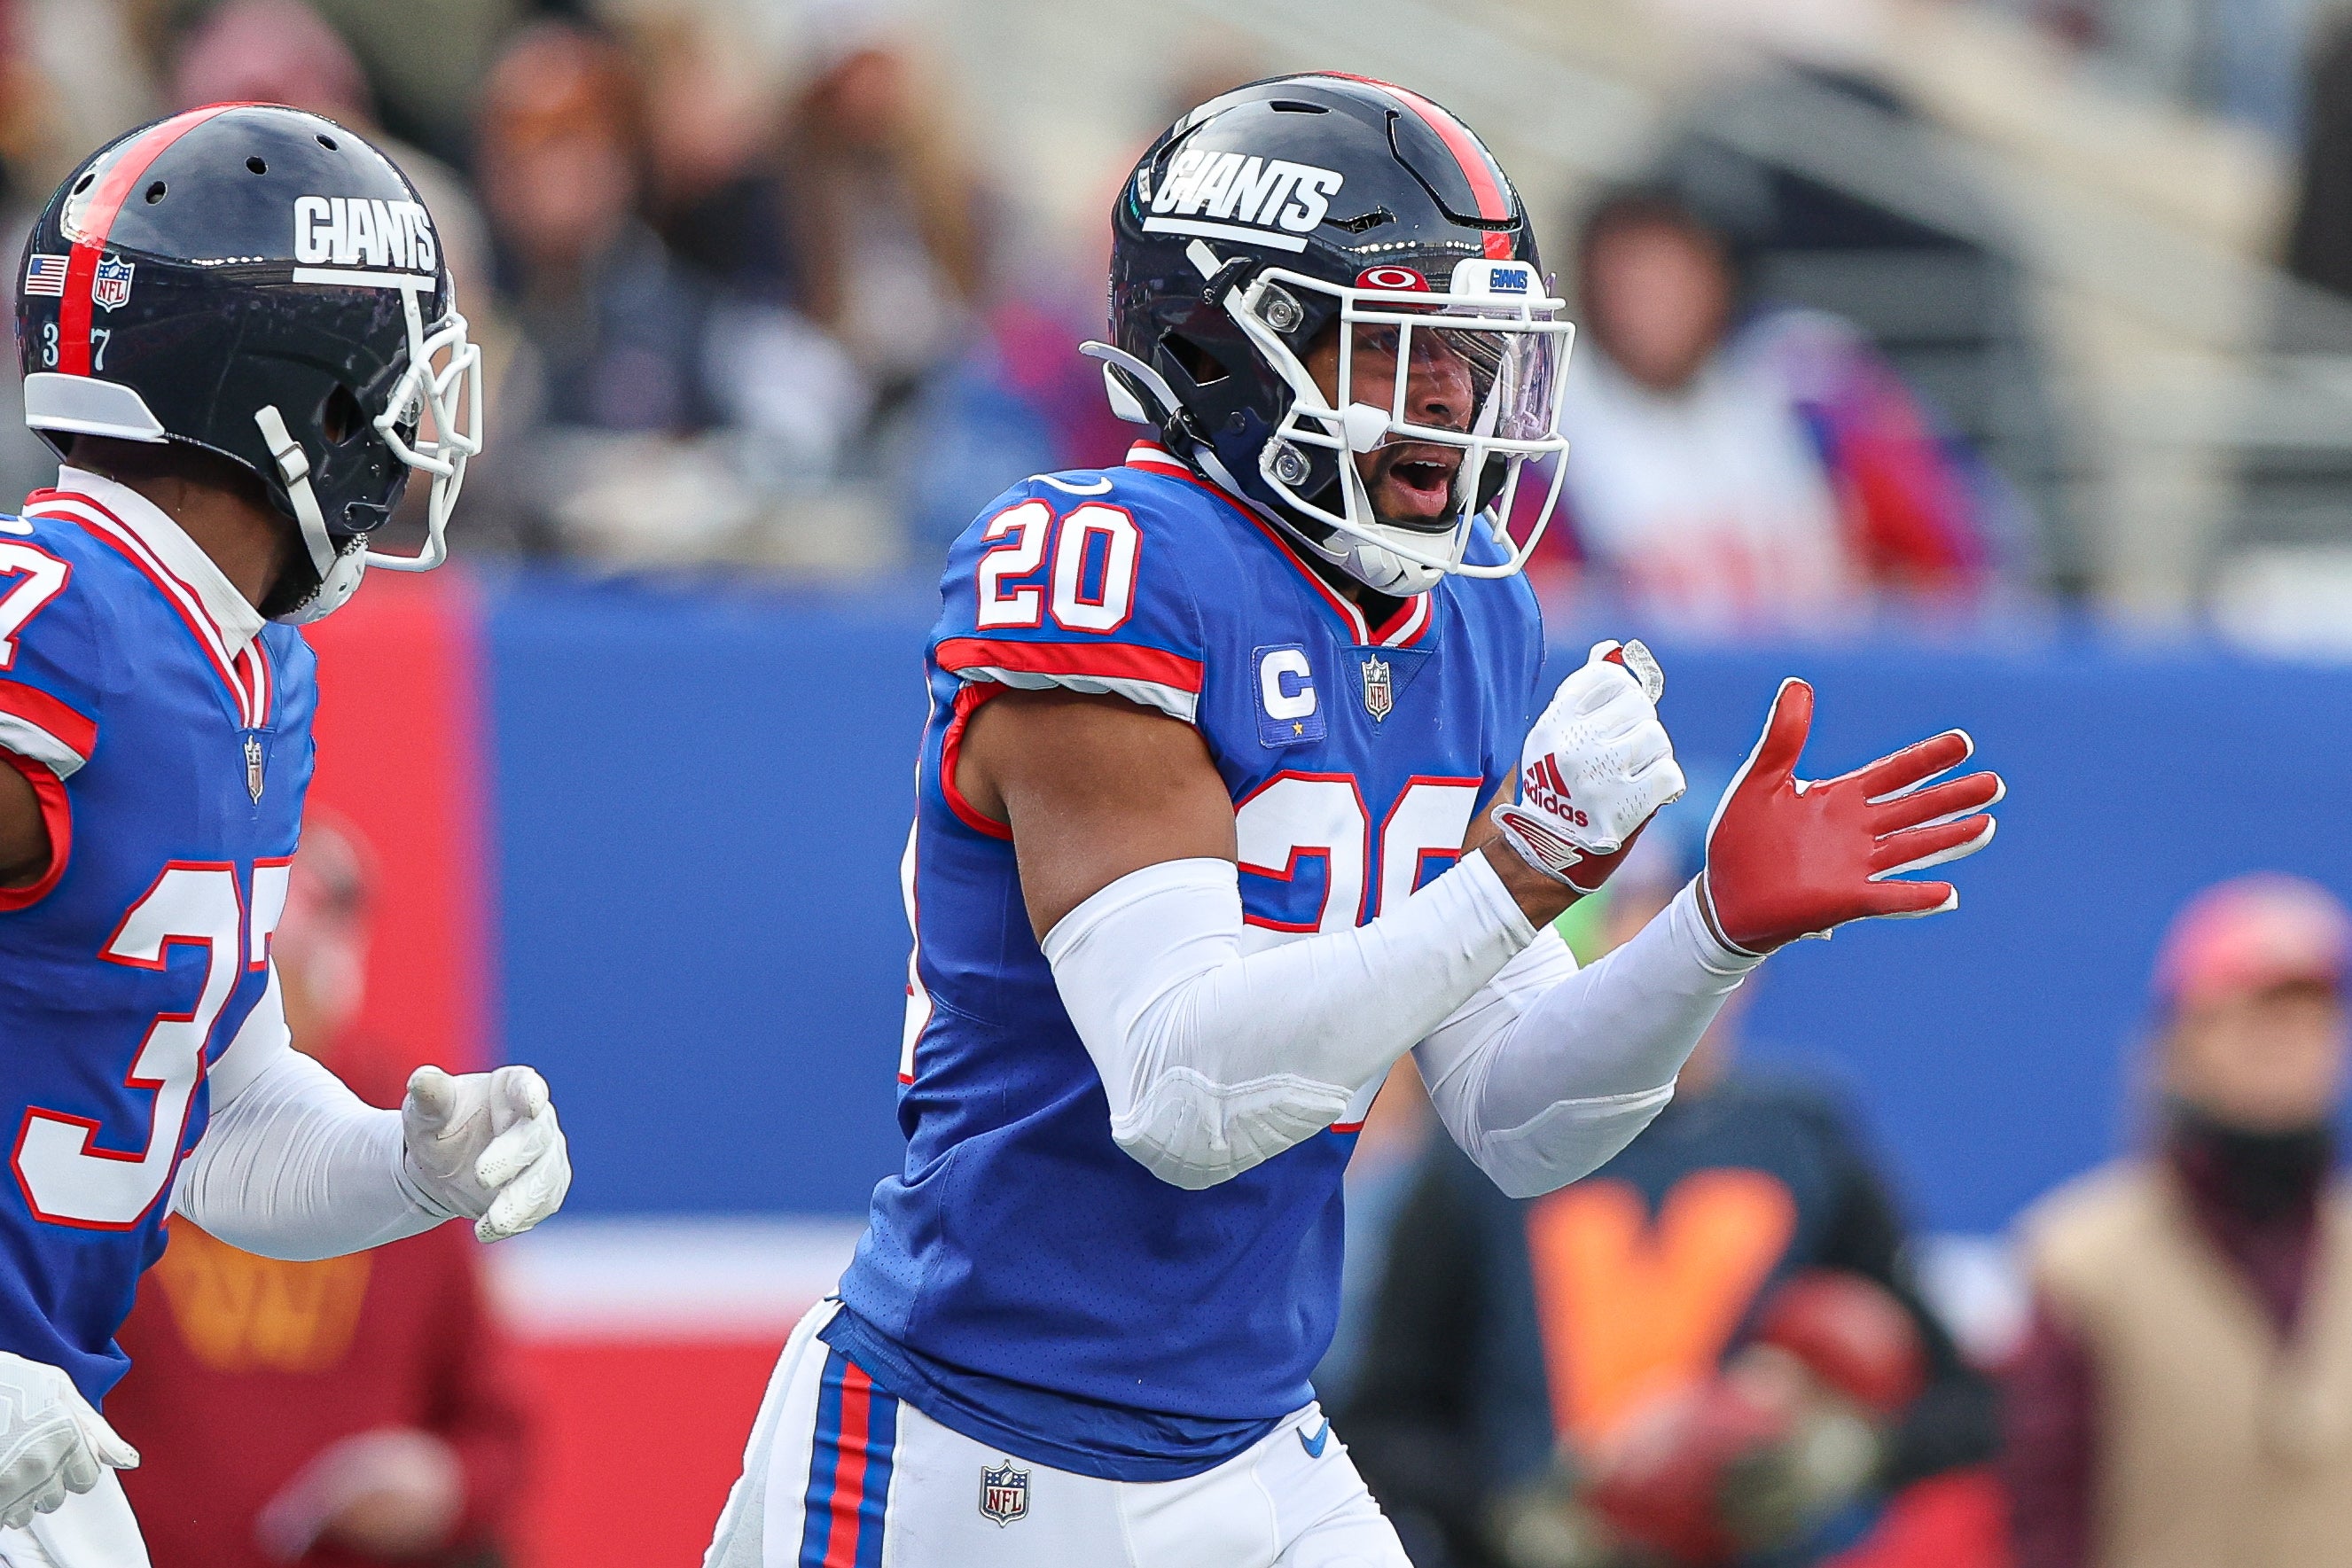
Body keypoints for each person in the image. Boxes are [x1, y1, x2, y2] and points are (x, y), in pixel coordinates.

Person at [703, 74, 2003, 1567]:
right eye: (1401, 345)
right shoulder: (1106, 565)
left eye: (1473, 347)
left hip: (1249, 1434)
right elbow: (1184, 1094)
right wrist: (1522, 869)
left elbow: (1517, 1113)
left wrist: (1703, 933)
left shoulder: (1462, 618)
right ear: (1220, 342)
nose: (1451, 395)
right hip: (973, 1436)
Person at [0, 105, 573, 1566]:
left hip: (45, 1432)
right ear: (295, 393)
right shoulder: (57, 623)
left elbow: (221, 1119)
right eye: (390, 376)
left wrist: (406, 1164)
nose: (407, 425)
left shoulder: (243, 661)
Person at [1334, 832, 2004, 1568]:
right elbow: (1385, 1418)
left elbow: (1960, 1402)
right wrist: (1509, 1517)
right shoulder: (1481, 1146)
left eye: (1708, 933)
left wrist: (1845, 1451)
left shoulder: (1803, 1140)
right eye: (1649, 937)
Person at [107, 818, 530, 1568]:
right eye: (283, 957)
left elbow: (494, 1429)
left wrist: (441, 1485)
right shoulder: (117, 1119)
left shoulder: (403, 1131)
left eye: (327, 949)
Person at [2004, 873, 2352, 1568]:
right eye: (2253, 1015)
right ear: (2182, 1037)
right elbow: (2045, 1517)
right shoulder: (2081, 1259)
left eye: (2308, 1018)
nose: (2283, 1044)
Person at [1541, 188, 1991, 628]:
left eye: (1675, 280)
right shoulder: (1547, 426)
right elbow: (1540, 608)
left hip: (1827, 678)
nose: (1655, 309)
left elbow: (1951, 568)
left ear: (1719, 279)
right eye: (1633, 286)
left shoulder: (1809, 390)